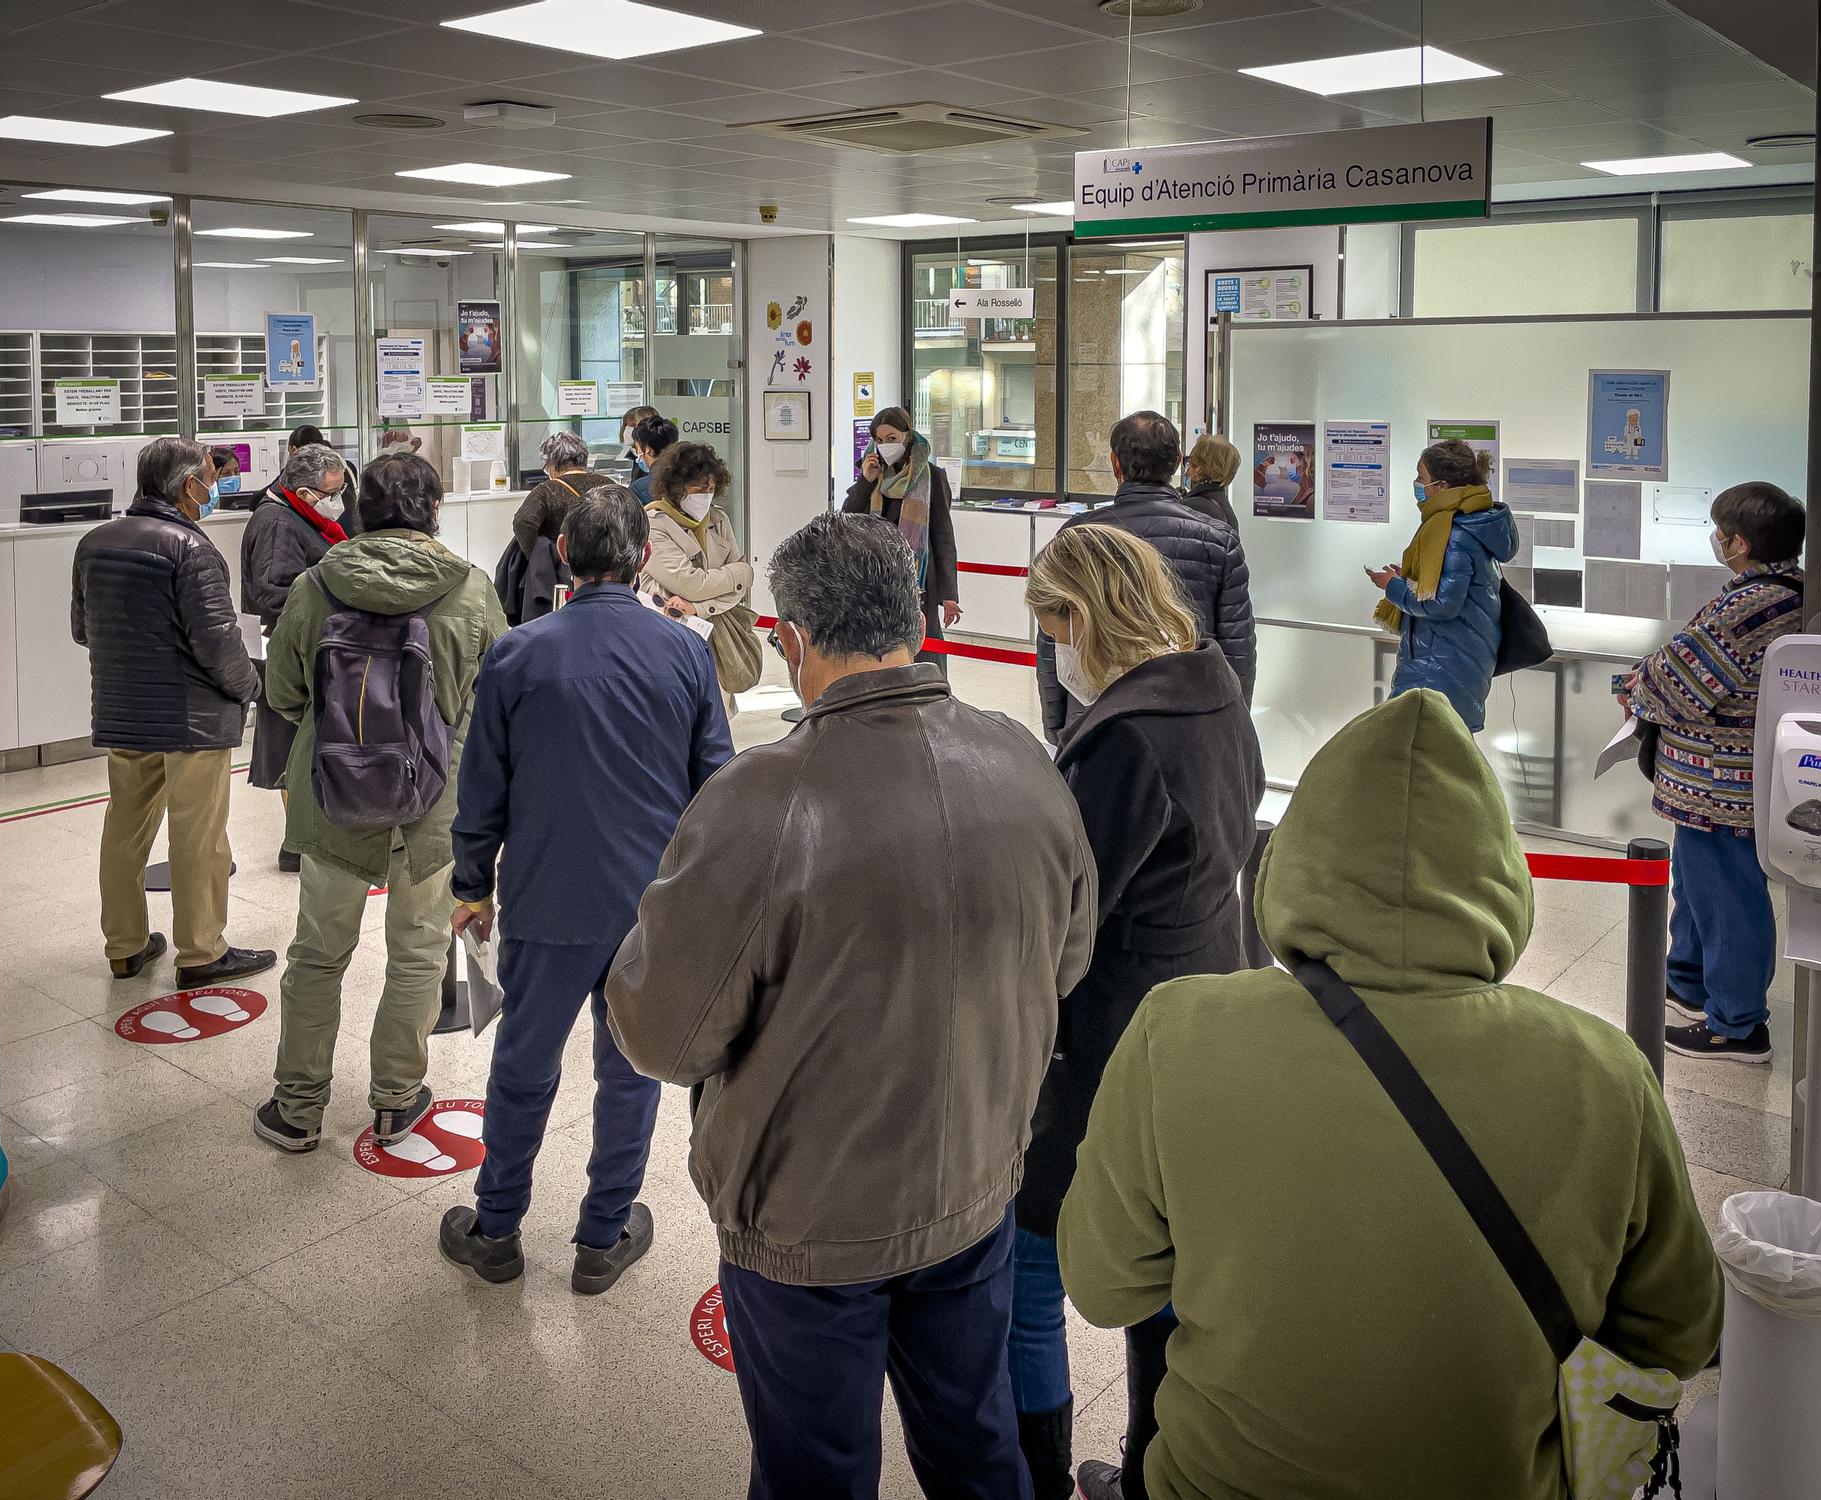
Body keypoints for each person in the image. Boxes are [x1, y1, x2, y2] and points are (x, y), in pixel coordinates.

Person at [1058, 689, 1725, 1500]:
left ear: (1295, 857)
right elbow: (1681, 1330)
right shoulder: (1605, 1074)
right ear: (1500, 875)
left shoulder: (1179, 1031)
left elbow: (1101, 1284)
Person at [606, 512, 1097, 1500]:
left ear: (788, 639)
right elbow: (1067, 960)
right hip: (974, 1186)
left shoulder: (757, 800)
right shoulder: (1026, 764)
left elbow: (661, 1034)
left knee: (814, 1471)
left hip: (808, 1223)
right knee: (974, 1443)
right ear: (916, 617)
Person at [1012, 524, 1264, 1499]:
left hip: (1107, 1034)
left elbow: (1070, 909)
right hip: (1204, 994)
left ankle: (1032, 1478)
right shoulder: (1211, 693)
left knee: (1029, 1270)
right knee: (1163, 1271)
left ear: (1080, 616)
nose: (1050, 652)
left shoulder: (1121, 740)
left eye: (1049, 628)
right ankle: (1150, 1471)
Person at [438, 487, 733, 1291]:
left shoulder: (519, 653)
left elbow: (483, 787)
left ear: (563, 555)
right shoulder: (684, 653)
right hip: (650, 909)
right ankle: (604, 1236)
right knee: (630, 1069)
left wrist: (472, 883)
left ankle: (495, 1228)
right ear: (642, 558)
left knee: (523, 1065)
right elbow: (718, 786)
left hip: (546, 901)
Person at [254, 453, 507, 1155]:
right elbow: (500, 700)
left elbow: (281, 694)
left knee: (317, 954)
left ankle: (298, 1108)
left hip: (332, 798)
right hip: (431, 806)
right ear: (433, 510)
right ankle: (397, 1099)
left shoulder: (315, 585)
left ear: (361, 509)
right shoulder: (470, 590)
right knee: (419, 950)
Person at [70, 437, 272, 987]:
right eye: (211, 477)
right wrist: (251, 688)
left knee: (125, 829)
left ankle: (125, 946)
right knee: (198, 835)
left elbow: (82, 629)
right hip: (192, 719)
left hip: (122, 710)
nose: (215, 486)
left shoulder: (95, 543)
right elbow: (217, 643)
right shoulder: (190, 549)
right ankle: (202, 951)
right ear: (189, 485)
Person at [1618, 482, 1807, 1064]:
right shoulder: (1790, 590)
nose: (1716, 539)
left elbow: (1677, 681)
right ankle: (1689, 982)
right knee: (1699, 890)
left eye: (1720, 530)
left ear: (1739, 544)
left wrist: (1635, 685)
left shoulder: (1751, 606)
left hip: (1719, 787)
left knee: (1726, 900)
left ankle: (1738, 1024)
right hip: (1715, 785)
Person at [1037, 411, 1253, 743]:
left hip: (1094, 716)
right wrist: (1232, 721)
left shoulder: (1077, 536)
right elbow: (1237, 645)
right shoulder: (1218, 540)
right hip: (1187, 715)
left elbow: (1053, 638)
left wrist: (1055, 724)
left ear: (1114, 464)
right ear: (1178, 464)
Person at [239, 443, 349, 873]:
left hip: (312, 640)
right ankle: (298, 840)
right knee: (292, 743)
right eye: (332, 492)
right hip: (292, 645)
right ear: (304, 493)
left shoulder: (302, 516)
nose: (338, 501)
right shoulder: (277, 524)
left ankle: (306, 835)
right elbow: (273, 590)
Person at [1369, 438, 1519, 733]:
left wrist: (1394, 587)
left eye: (1421, 478)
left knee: (1425, 759)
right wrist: (1411, 580)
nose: (1416, 484)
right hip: (1453, 664)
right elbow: (1449, 588)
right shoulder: (1471, 524)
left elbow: (1442, 604)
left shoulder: (1453, 534)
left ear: (1442, 486)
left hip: (1437, 669)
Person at [842, 405, 963, 664]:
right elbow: (848, 519)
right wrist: (866, 481)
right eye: (879, 440)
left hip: (916, 581)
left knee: (923, 648)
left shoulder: (931, 476)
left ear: (907, 436)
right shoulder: (872, 473)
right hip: (875, 579)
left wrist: (949, 594)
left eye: (892, 439)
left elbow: (943, 536)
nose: (885, 445)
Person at [637, 441, 754, 707]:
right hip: (669, 636)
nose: (706, 495)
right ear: (677, 486)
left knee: (718, 714)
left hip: (713, 634)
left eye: (711, 488)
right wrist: (739, 572)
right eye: (699, 487)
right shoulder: (653, 524)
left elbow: (739, 589)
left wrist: (698, 607)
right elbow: (692, 583)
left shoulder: (718, 519)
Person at [511, 431, 597, 559]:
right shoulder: (609, 485)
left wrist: (543, 557)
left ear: (552, 464)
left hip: (563, 569)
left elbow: (523, 522)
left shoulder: (547, 490)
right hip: (607, 566)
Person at [288, 423, 359, 536]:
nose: (336, 500)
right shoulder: (348, 467)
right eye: (330, 493)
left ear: (294, 450)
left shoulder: (342, 468)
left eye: (337, 492)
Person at [1179, 433, 1239, 535]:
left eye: (1190, 462)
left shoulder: (1192, 508)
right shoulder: (1226, 510)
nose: (1187, 470)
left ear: (1199, 469)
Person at [627, 413, 679, 504]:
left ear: (647, 449)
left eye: (637, 448)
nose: (637, 453)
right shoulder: (691, 480)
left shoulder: (639, 489)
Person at [617, 403, 660, 486]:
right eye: (626, 425)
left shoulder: (654, 458)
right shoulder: (632, 456)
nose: (627, 429)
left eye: (633, 425)